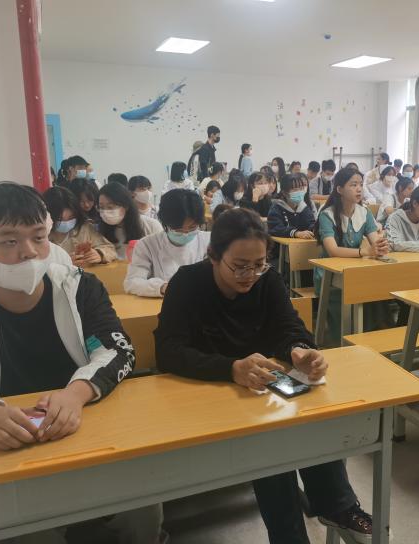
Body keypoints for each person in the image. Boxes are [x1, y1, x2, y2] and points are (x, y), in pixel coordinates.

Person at [0, 182, 164, 543]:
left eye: (39, 237)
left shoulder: (80, 287)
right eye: (9, 241)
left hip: (86, 428)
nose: (29, 252)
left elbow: (118, 350)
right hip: (5, 442)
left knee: (143, 508)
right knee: (22, 529)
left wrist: (76, 394)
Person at [154, 208, 373, 544]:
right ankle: (306, 526)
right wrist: (230, 368)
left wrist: (299, 350)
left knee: (310, 417)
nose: (250, 275)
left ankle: (335, 506)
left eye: (259, 264)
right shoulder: (188, 283)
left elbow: (288, 326)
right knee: (271, 442)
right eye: (240, 266)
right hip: (206, 396)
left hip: (259, 391)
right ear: (213, 256)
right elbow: (169, 351)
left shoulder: (267, 280)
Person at [314, 168, 390, 344]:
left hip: (355, 270)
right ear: (339, 189)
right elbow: (333, 251)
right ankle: (346, 343)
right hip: (329, 275)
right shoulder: (327, 214)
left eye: (361, 184)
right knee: (349, 302)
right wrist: (364, 252)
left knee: (378, 290)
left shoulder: (364, 212)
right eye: (353, 185)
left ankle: (371, 341)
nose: (359, 189)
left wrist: (380, 246)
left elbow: (374, 242)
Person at [124, 189, 209, 297]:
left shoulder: (208, 241)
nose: (185, 233)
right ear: (165, 224)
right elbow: (132, 282)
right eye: (178, 229)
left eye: (192, 227)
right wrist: (163, 287)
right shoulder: (147, 245)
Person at [43, 186, 117, 266]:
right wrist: (63, 264)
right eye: (60, 219)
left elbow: (110, 248)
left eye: (71, 218)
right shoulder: (41, 237)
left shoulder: (85, 228)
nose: (66, 223)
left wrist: (99, 254)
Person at [98, 182, 161, 260]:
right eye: (101, 207)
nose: (105, 212)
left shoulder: (151, 225)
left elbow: (163, 256)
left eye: (110, 207)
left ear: (126, 206)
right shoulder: (100, 230)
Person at [268, 173, 316, 239]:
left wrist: (314, 229)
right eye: (295, 189)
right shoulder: (277, 207)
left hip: (302, 243)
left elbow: (311, 223)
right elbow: (276, 228)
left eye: (301, 188)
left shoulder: (303, 207)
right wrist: (296, 233)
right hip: (282, 244)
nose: (299, 192)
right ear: (284, 193)